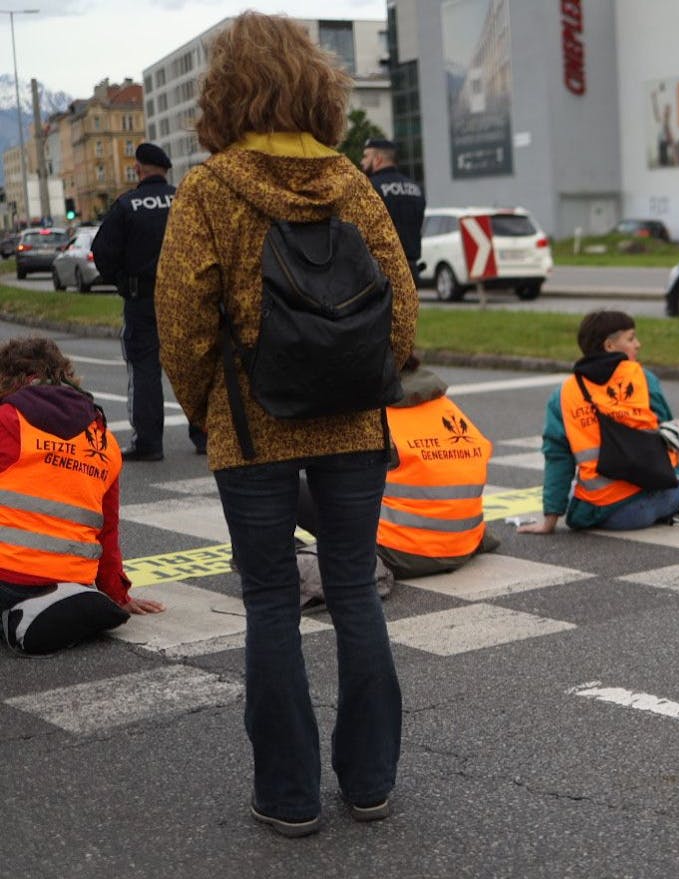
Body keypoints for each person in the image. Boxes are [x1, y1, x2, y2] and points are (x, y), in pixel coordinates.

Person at [154, 11, 418, 837]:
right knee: (355, 595)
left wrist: (206, 413)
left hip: (252, 424)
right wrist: (371, 380)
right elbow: (401, 309)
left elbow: (182, 322)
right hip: (352, 424)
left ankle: (289, 795)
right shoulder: (349, 180)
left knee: (270, 601)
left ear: (225, 92)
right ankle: (370, 782)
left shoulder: (208, 187)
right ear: (316, 84)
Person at [0, 337, 163, 656]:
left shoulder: (8, 421)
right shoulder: (103, 439)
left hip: (9, 576)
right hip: (74, 577)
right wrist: (117, 594)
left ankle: (21, 613)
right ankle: (51, 605)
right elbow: (107, 531)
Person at [297, 354, 497, 578]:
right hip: (464, 543)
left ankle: (273, 557)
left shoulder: (373, 413)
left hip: (398, 550)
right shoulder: (446, 407)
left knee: (283, 485)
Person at [525, 310, 679, 533]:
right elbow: (668, 434)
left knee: (574, 494)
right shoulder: (643, 378)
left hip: (609, 513)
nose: (638, 344)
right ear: (609, 346)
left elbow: (557, 458)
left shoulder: (564, 394)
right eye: (631, 338)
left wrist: (549, 521)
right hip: (658, 497)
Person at [90, 142, 206, 461]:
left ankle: (149, 442)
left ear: (138, 169)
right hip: (187, 297)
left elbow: (102, 252)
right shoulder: (185, 198)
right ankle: (205, 434)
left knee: (144, 368)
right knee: (196, 362)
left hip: (143, 299)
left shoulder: (127, 205)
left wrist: (122, 281)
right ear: (167, 170)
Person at [359, 137, 424, 274]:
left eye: (366, 156)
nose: (362, 162)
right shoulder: (415, 188)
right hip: (411, 272)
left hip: (382, 273)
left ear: (378, 159)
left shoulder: (369, 187)